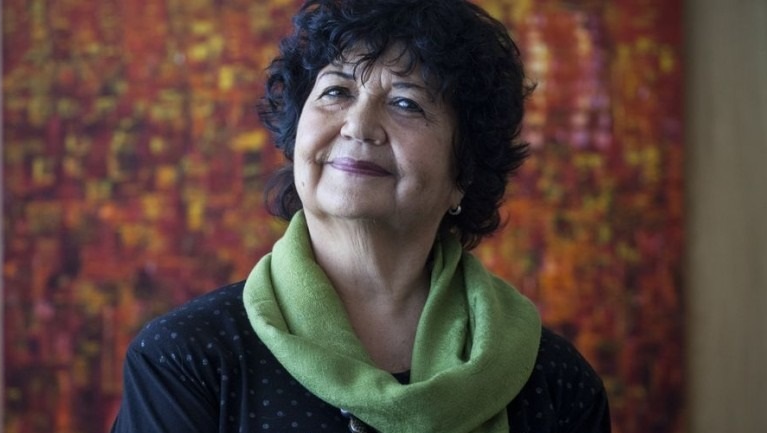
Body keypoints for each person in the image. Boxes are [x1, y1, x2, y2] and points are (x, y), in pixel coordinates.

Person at [110, 0, 611, 432]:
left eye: (406, 103)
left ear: (464, 171)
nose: (359, 125)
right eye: (337, 91)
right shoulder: (188, 360)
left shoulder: (555, 382)